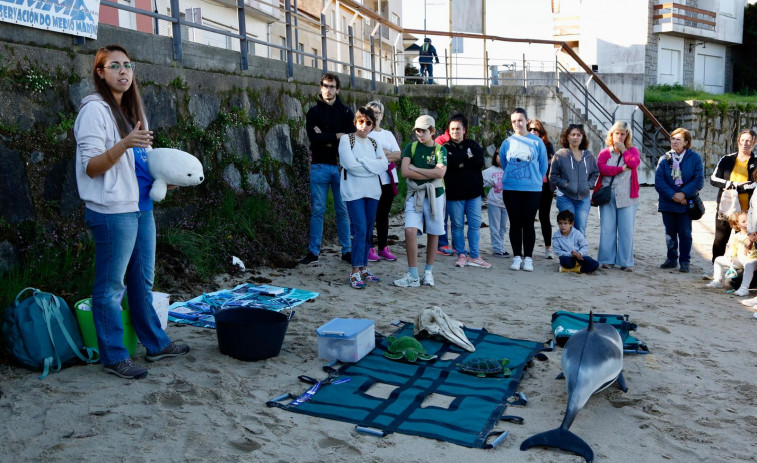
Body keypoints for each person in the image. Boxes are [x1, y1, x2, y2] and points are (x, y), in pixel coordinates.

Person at [74, 44, 189, 380]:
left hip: (141, 205)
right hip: (112, 211)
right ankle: (113, 356)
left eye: (128, 65)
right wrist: (124, 143)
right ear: (100, 72)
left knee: (142, 280)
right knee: (110, 287)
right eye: (114, 66)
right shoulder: (94, 111)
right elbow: (92, 167)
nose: (123, 71)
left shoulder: (133, 108)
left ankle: (155, 344)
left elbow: (142, 160)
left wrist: (163, 178)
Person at [300, 73, 355, 266]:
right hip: (319, 165)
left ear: (337, 89)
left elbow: (349, 138)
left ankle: (347, 251)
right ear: (320, 87)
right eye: (325, 85)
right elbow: (314, 139)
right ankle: (313, 252)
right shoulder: (313, 112)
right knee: (317, 210)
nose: (328, 89)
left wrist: (327, 137)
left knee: (342, 210)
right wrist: (336, 136)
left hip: (341, 167)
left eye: (332, 86)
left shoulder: (347, 113)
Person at [393, 115, 447, 287]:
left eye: (423, 130)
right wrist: (425, 172)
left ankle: (428, 272)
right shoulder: (411, 147)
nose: (420, 133)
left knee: (434, 232)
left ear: (432, 131)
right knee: (410, 231)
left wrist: (416, 168)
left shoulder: (440, 150)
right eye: (417, 130)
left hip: (435, 194)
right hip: (415, 193)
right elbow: (405, 172)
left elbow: (440, 174)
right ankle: (413, 274)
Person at [338, 107, 388, 289]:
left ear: (373, 125)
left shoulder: (374, 143)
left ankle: (364, 267)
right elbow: (349, 165)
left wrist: (365, 162)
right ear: (355, 122)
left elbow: (383, 165)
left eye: (368, 122)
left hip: (373, 192)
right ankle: (355, 271)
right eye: (361, 121)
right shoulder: (346, 139)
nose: (364, 126)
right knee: (359, 229)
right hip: (353, 192)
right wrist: (371, 167)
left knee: (367, 231)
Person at [498, 108, 549, 272]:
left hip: (532, 189)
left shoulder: (537, 142)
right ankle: (516, 256)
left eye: (520, 120)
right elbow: (505, 164)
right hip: (511, 188)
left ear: (526, 121)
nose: (517, 124)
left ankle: (528, 258)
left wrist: (534, 180)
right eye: (513, 121)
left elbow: (543, 166)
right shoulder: (507, 142)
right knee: (514, 222)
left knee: (528, 222)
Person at [443, 114, 490, 269]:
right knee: (456, 225)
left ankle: (475, 255)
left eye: (458, 129)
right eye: (452, 129)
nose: (455, 131)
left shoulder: (473, 144)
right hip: (454, 193)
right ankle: (461, 254)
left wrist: (460, 161)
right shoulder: (445, 148)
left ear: (464, 130)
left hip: (474, 193)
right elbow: (448, 164)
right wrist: (466, 159)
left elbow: (479, 161)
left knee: (475, 224)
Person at [655, 127, 704, 273]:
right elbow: (659, 181)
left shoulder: (694, 158)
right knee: (669, 232)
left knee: (685, 232)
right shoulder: (664, 159)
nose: (674, 142)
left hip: (685, 201)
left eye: (678, 139)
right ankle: (671, 259)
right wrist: (673, 195)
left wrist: (683, 194)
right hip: (668, 201)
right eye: (672, 139)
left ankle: (684, 261)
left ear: (686, 142)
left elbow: (699, 180)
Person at [595, 121, 641, 272]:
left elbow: (634, 163)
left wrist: (624, 151)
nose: (620, 136)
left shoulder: (633, 150)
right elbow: (602, 168)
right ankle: (606, 259)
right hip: (608, 194)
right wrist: (620, 169)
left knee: (626, 230)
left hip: (628, 196)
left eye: (623, 133)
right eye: (617, 133)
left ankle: (625, 262)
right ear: (612, 134)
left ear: (627, 135)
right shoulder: (605, 152)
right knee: (607, 229)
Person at [709, 129, 757, 264]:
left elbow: (754, 184)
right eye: (742, 140)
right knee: (720, 239)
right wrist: (735, 184)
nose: (744, 144)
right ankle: (714, 266)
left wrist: (733, 186)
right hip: (726, 206)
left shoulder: (756, 161)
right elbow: (713, 179)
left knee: (743, 239)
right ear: (738, 141)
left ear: (754, 142)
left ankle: (739, 269)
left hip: (746, 210)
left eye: (748, 140)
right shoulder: (726, 159)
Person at [365, 100, 401, 262]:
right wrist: (384, 154)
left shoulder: (387, 134)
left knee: (383, 215)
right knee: (370, 214)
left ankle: (383, 247)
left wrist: (381, 155)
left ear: (382, 115)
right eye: (371, 112)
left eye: (377, 112)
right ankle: (369, 247)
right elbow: (366, 156)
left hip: (389, 179)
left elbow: (397, 154)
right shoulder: (364, 134)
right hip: (372, 179)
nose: (375, 115)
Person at [550, 123, 599, 237]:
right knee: (567, 228)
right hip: (565, 197)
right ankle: (568, 253)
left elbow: (595, 173)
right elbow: (553, 175)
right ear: (567, 137)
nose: (575, 137)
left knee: (580, 228)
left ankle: (579, 253)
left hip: (584, 198)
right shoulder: (560, 155)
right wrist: (565, 184)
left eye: (578, 135)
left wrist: (589, 184)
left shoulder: (588, 156)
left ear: (582, 137)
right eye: (573, 135)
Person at [706, 211, 756, 296]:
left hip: (752, 260)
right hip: (740, 260)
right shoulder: (737, 236)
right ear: (737, 224)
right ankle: (718, 280)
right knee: (718, 260)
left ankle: (744, 288)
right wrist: (731, 256)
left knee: (749, 265)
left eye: (749, 220)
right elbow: (733, 249)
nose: (747, 223)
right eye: (743, 222)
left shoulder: (754, 235)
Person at [528, 119, 556, 259]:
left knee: (544, 217)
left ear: (541, 132)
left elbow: (551, 163)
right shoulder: (524, 144)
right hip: (529, 186)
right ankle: (528, 248)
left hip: (544, 186)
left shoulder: (547, 145)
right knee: (528, 218)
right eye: (530, 129)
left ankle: (548, 248)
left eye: (536, 130)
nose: (533, 131)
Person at [482, 153, 509, 257]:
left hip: (507, 203)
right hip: (494, 202)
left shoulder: (509, 170)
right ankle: (497, 249)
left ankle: (500, 246)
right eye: (499, 156)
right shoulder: (489, 171)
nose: (502, 158)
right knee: (495, 227)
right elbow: (480, 181)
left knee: (503, 227)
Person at [435, 128, 454, 256]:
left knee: (455, 218)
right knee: (443, 217)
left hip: (455, 184)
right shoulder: (440, 142)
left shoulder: (465, 142)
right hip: (442, 184)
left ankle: (455, 244)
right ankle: (442, 244)